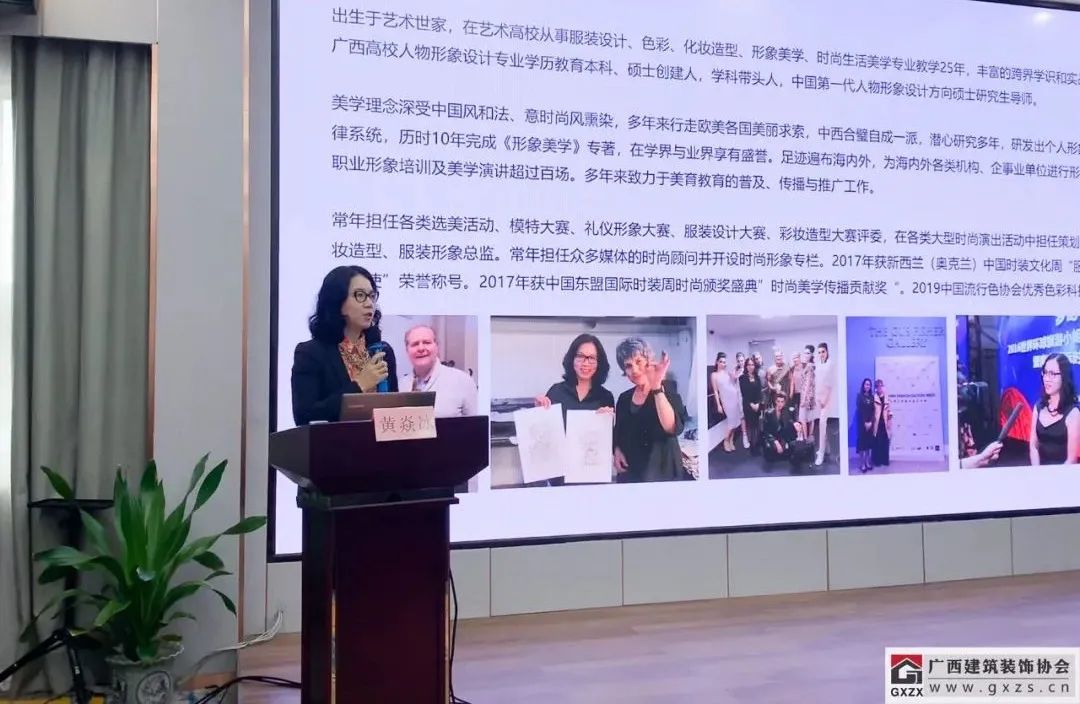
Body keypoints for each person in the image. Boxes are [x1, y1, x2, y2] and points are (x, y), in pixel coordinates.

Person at [291, 265, 398, 426]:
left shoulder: (382, 351)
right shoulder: (310, 353)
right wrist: (359, 385)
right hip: (334, 441)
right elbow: (304, 416)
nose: (369, 303)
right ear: (337, 301)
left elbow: (395, 409)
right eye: (360, 295)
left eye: (372, 296)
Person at [532, 334, 615, 486]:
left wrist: (607, 423)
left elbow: (607, 444)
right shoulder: (556, 391)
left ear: (599, 363)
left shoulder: (606, 397)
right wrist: (538, 412)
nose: (586, 363)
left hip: (592, 478)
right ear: (572, 359)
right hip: (560, 478)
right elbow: (545, 436)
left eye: (592, 358)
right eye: (580, 356)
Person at [613, 337, 689, 482]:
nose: (634, 370)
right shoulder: (624, 398)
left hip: (663, 473)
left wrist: (656, 388)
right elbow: (620, 431)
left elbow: (672, 428)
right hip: (631, 472)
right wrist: (616, 450)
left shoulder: (668, 390)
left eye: (638, 362)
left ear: (649, 361)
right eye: (628, 365)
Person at [398, 324, 477, 418]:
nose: (421, 348)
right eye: (415, 344)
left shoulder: (463, 381)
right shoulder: (401, 385)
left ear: (437, 347)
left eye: (427, 342)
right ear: (407, 350)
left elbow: (477, 424)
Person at [1029, 352, 1080, 466]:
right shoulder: (1039, 406)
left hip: (1062, 474)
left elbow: (1071, 460)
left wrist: (1052, 476)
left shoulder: (1073, 413)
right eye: (1045, 373)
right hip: (1038, 472)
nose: (1047, 379)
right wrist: (1037, 472)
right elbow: (1033, 446)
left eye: (1052, 374)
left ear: (1064, 376)